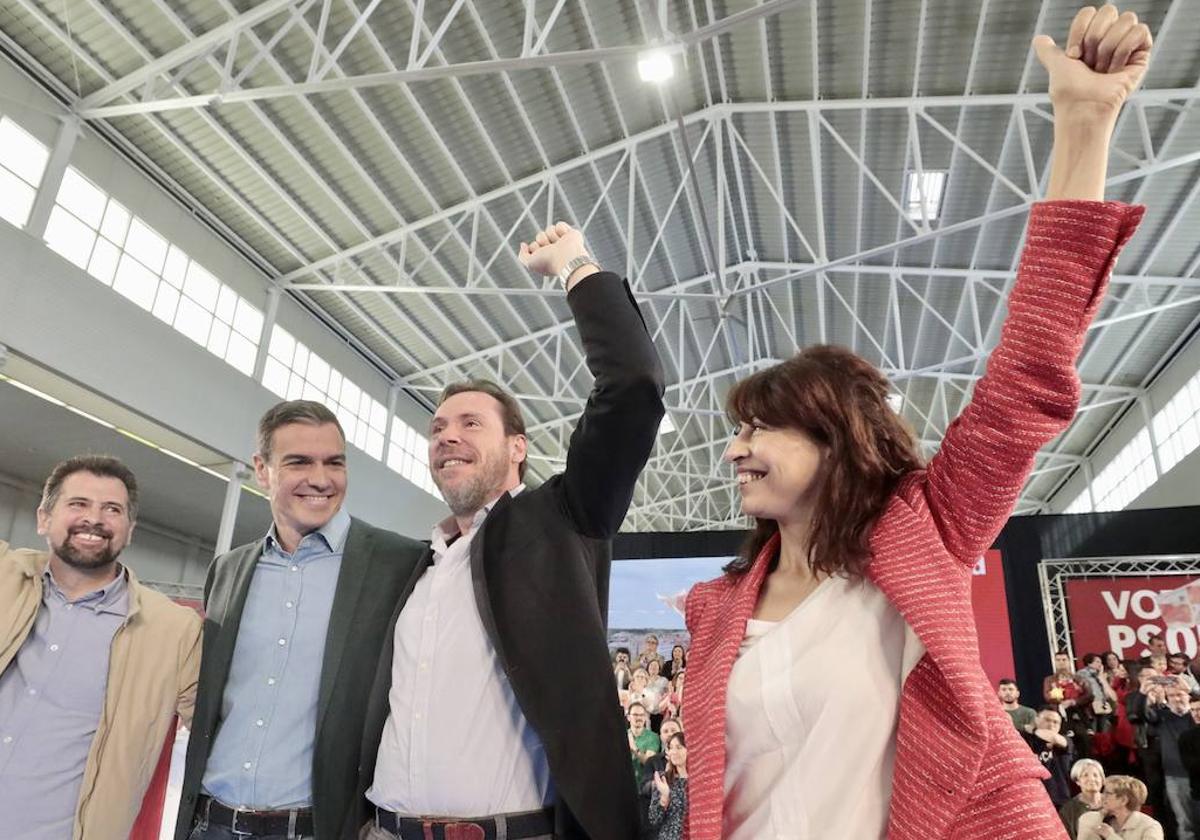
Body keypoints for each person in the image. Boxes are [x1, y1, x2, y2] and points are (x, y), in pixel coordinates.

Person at [677, 7, 1152, 838]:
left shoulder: (923, 535)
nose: (734, 447)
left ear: (836, 439)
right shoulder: (716, 608)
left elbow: (1025, 374)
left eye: (759, 428)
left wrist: (1083, 122)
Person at [356, 222, 665, 840]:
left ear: (518, 447)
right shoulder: (417, 566)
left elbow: (633, 386)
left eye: (471, 423)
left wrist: (574, 264)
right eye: (438, 427)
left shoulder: (562, 519)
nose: (447, 435)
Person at [176, 401, 427, 840]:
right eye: (299, 462)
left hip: (315, 828)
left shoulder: (399, 563)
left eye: (334, 463)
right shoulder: (229, 570)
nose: (320, 479)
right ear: (263, 469)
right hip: (210, 822)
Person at [0, 455, 201, 840]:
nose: (94, 519)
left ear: (129, 530)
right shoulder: (6, 577)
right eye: (78, 504)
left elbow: (221, 732)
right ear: (44, 518)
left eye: (112, 509)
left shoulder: (173, 632)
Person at [1147, 685, 1198, 840]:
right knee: (1184, 823)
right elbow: (1138, 713)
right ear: (1166, 700)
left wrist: (1187, 686)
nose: (1177, 698)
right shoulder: (1162, 717)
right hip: (1176, 776)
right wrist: (1145, 692)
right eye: (1172, 696)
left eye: (1180, 694)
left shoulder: (1193, 714)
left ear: (1188, 696)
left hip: (1195, 779)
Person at [1077, 775, 1164, 840]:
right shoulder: (1098, 820)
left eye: (1108, 793)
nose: (1103, 796)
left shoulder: (1150, 827)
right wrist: (1099, 815)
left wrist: (1111, 837)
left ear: (1123, 800)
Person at [1025, 706, 1076, 809]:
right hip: (1032, 798)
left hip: (1058, 799)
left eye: (1056, 722)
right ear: (1036, 719)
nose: (1051, 725)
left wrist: (1034, 730)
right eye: (1047, 720)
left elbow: (1053, 737)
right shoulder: (1025, 739)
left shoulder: (1065, 741)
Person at [649, 733, 688, 840]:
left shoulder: (700, 780)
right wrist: (664, 797)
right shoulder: (664, 779)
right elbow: (654, 819)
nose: (674, 752)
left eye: (679, 747)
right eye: (670, 748)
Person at [1061, 758, 1105, 840]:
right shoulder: (1069, 809)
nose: (1092, 779)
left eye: (1096, 775)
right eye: (1085, 775)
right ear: (1077, 781)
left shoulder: (1114, 802)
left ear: (1102, 780)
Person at [645, 658, 670, 731]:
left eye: (656, 666)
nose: (653, 667)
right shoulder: (644, 679)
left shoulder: (664, 680)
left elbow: (667, 693)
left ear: (659, 669)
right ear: (648, 668)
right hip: (646, 711)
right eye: (651, 665)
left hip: (660, 711)